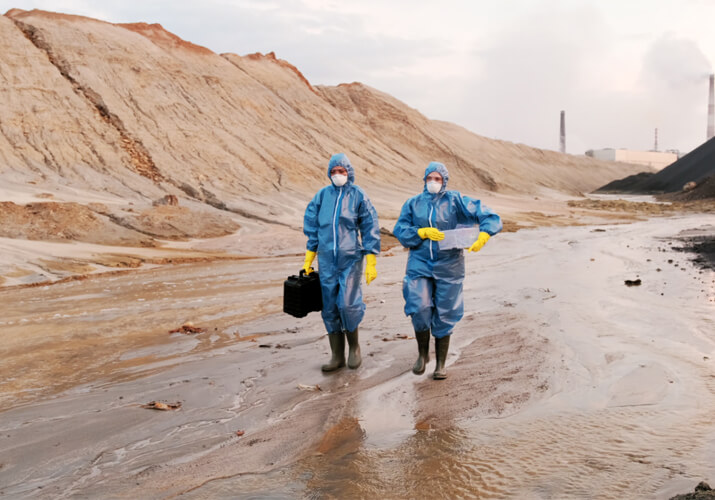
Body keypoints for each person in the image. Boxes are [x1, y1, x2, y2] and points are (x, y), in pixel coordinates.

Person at [393, 161, 502, 380]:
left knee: (446, 312)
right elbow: (400, 230)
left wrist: (484, 235)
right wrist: (421, 232)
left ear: (444, 181)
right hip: (420, 263)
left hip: (449, 264)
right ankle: (422, 355)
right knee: (419, 305)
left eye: (438, 179)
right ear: (424, 180)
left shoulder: (456, 201)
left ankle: (440, 363)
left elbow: (489, 215)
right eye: (429, 178)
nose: (433, 182)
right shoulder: (413, 203)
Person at [303, 153, 381, 372]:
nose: (338, 175)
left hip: (350, 258)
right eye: (334, 172)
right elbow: (312, 225)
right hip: (326, 259)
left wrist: (371, 259)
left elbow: (369, 225)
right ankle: (337, 355)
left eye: (342, 171)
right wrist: (310, 257)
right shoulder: (322, 196)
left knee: (347, 304)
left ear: (349, 173)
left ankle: (354, 348)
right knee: (329, 307)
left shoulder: (358, 195)